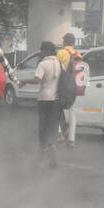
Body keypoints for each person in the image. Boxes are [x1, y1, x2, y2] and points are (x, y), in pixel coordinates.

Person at [33, 40, 63, 168]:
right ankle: (53, 158)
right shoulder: (60, 63)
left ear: (46, 51)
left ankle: (41, 159)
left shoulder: (43, 64)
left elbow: (37, 79)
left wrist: (23, 81)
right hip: (56, 101)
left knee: (43, 129)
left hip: (44, 100)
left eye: (42, 50)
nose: (40, 52)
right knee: (52, 128)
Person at [55, 32, 83, 147]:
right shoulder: (79, 54)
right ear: (73, 42)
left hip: (62, 84)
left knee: (56, 108)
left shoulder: (60, 52)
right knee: (72, 112)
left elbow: (56, 68)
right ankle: (71, 139)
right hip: (74, 86)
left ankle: (59, 133)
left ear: (65, 41)